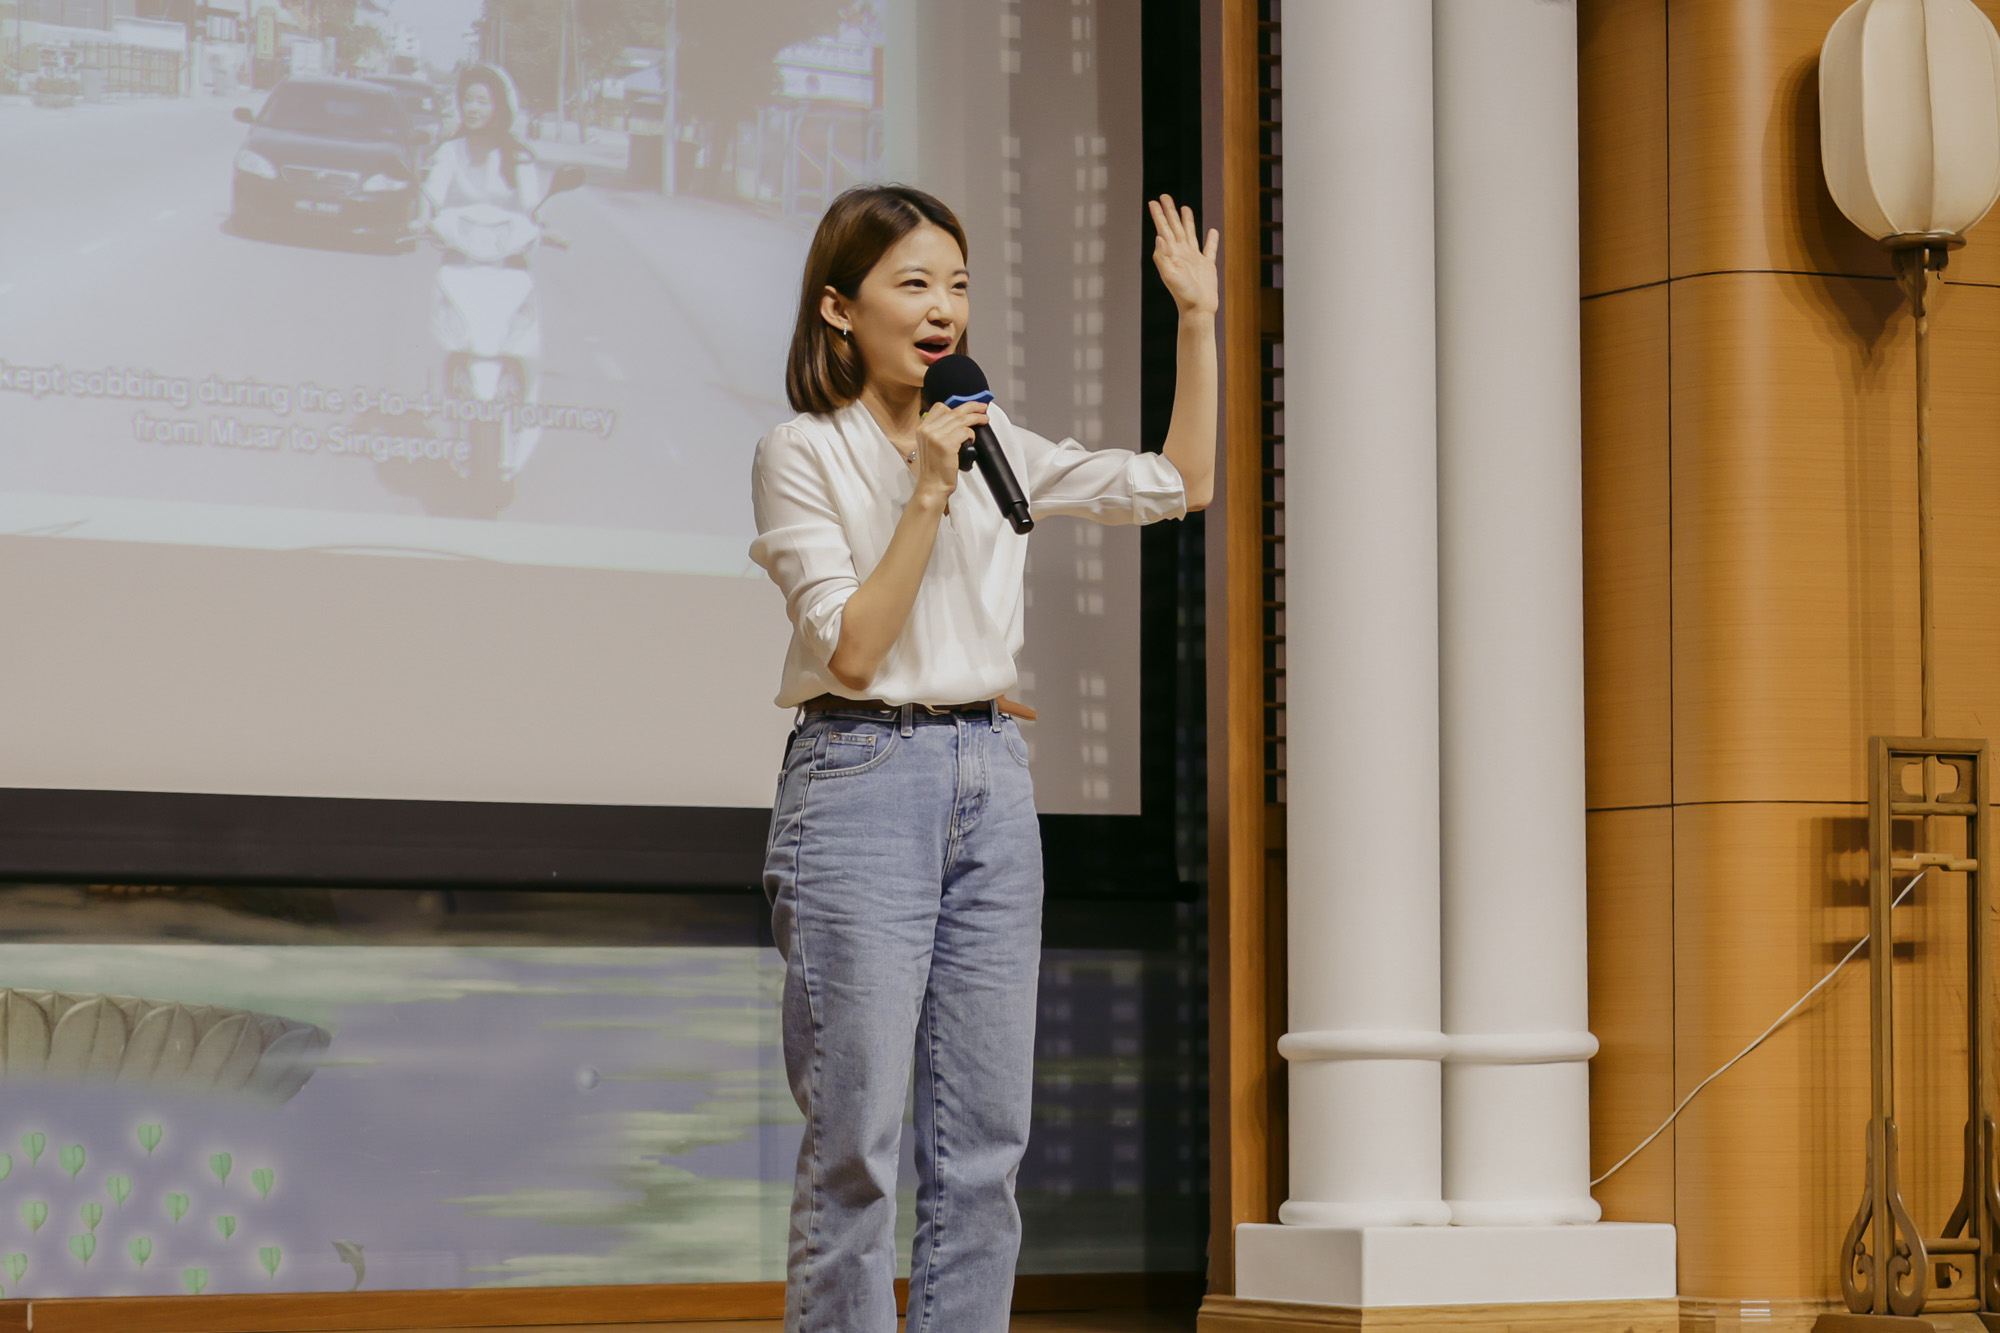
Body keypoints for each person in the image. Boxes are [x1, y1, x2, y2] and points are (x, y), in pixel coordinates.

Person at [749, 184, 1218, 1333]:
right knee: (855, 1143)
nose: (942, 308)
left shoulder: (993, 436)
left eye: (956, 284)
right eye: (911, 282)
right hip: (860, 782)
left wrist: (1197, 321)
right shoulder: (802, 453)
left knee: (982, 1147)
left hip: (990, 780)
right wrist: (926, 490)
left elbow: (1180, 484)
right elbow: (854, 651)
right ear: (837, 307)